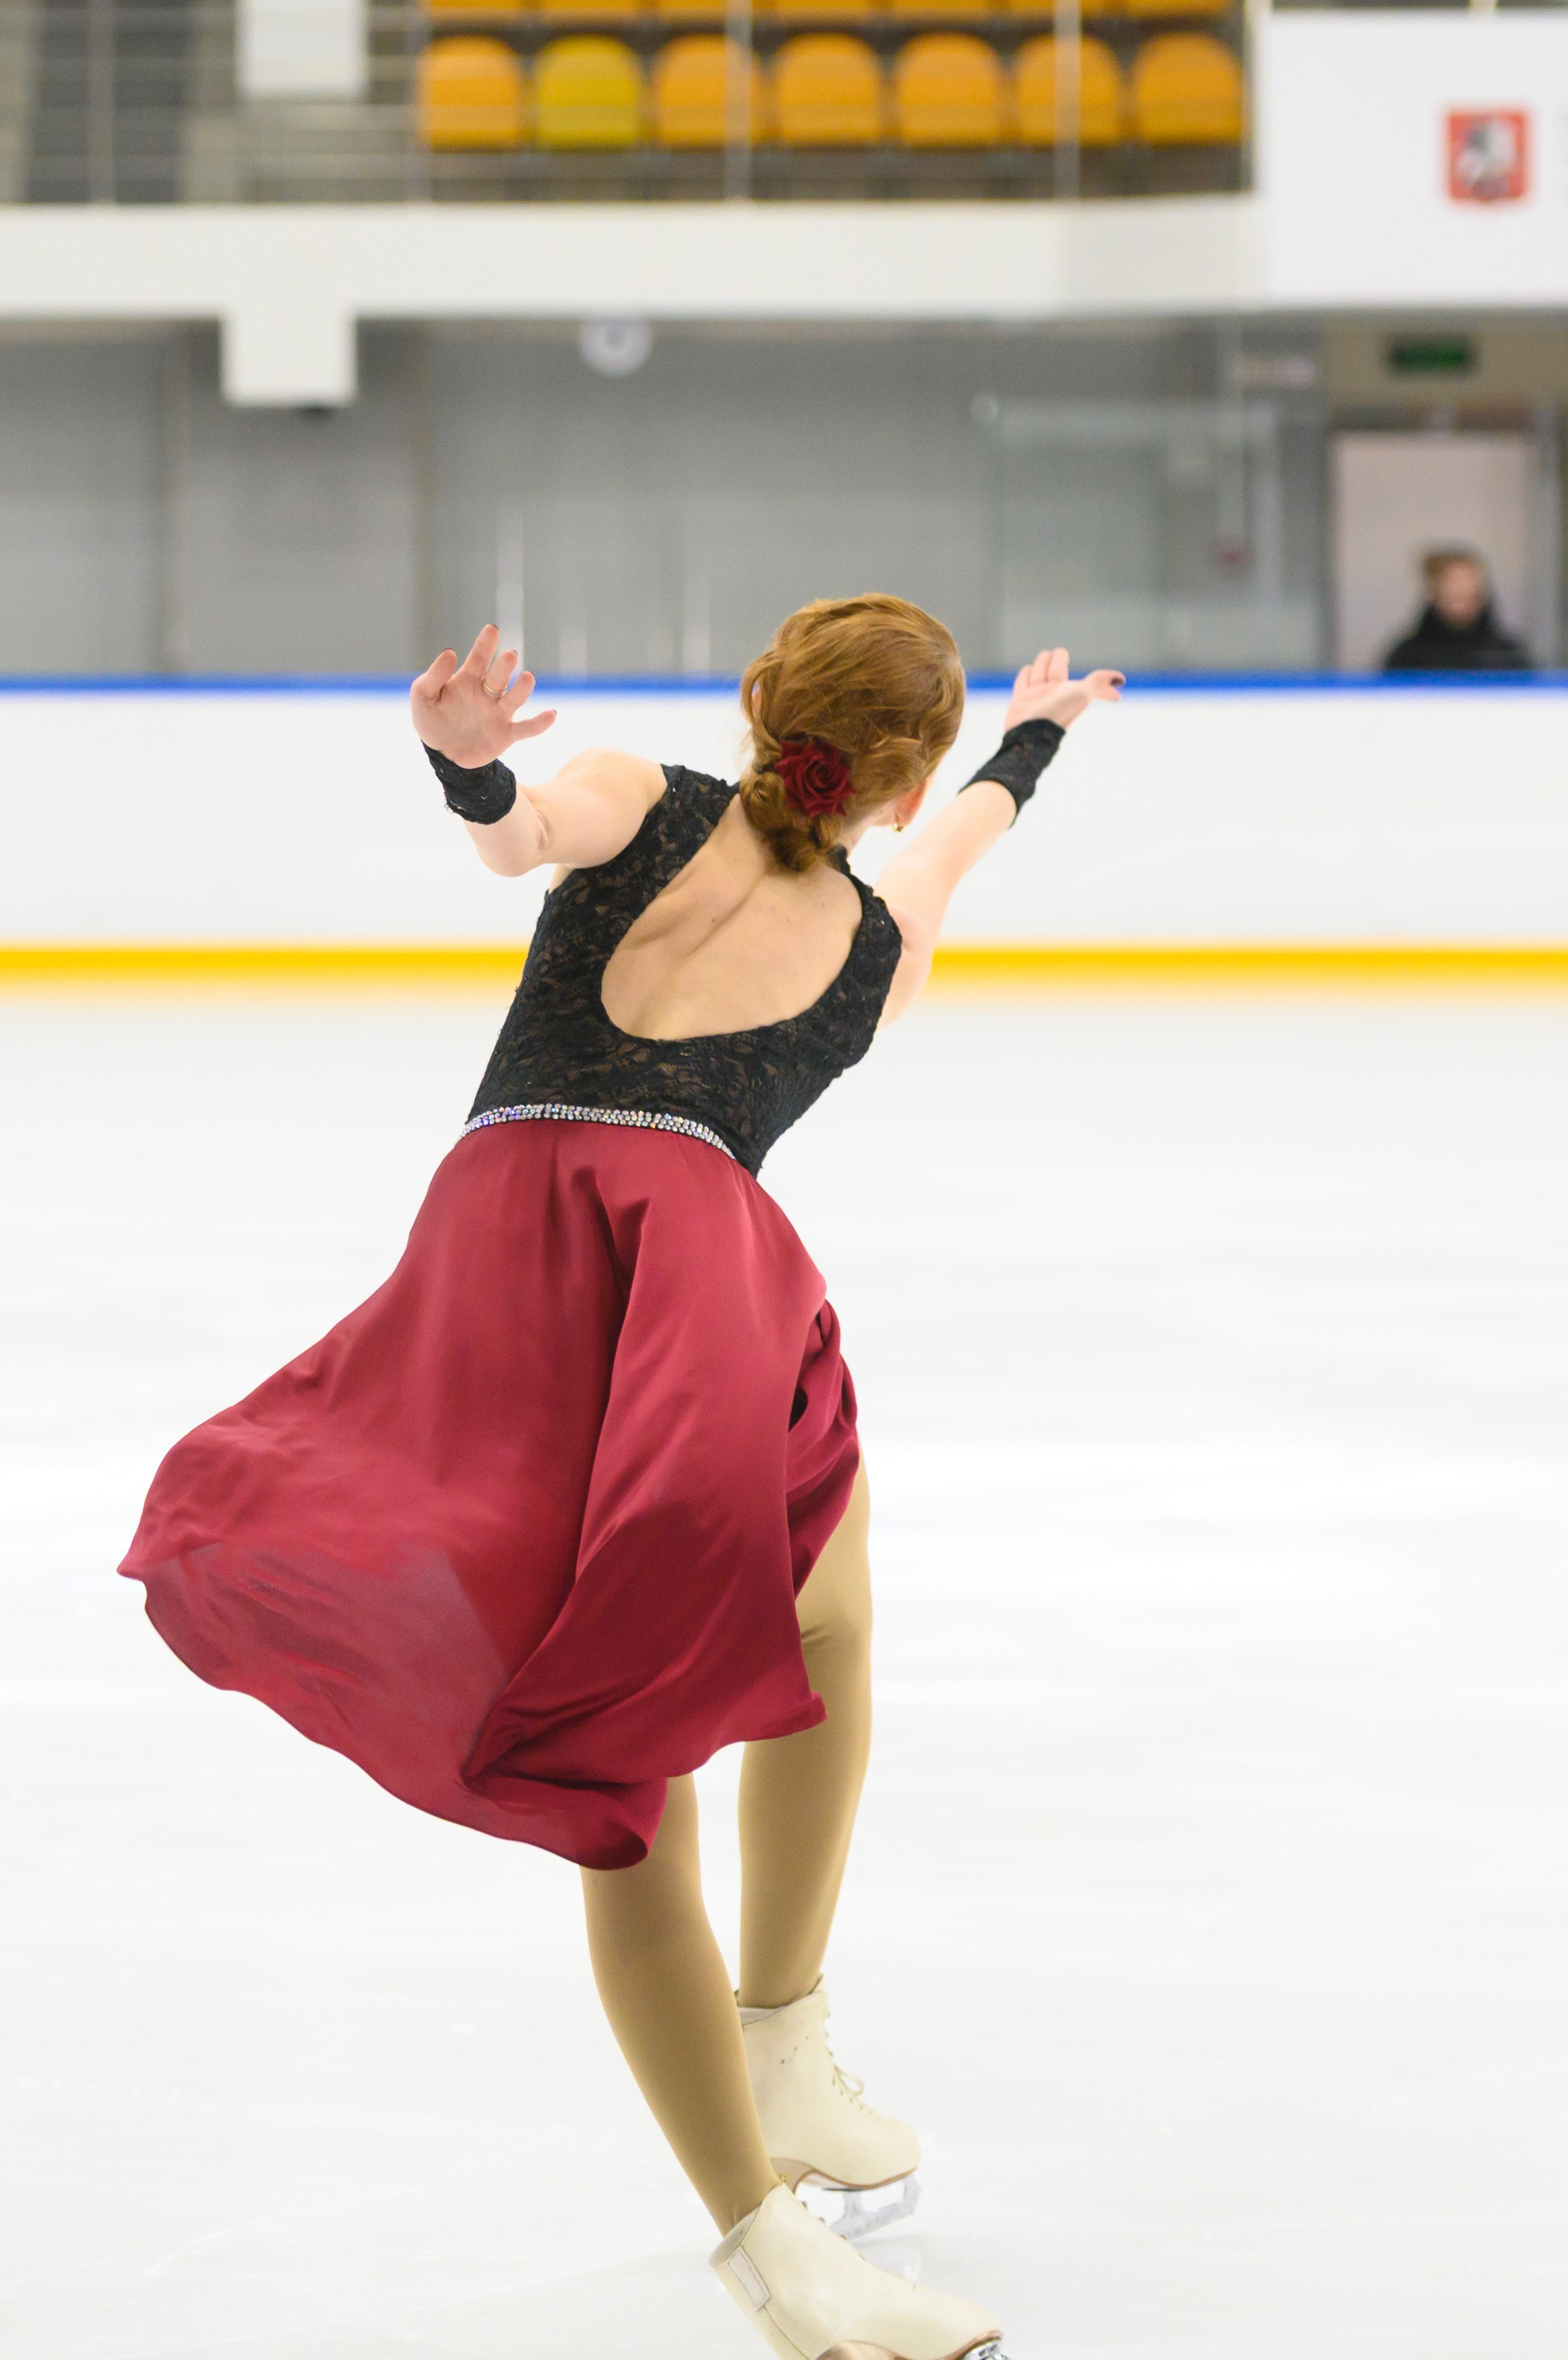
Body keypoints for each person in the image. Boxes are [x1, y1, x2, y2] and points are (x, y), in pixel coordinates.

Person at [119, 594, 1122, 2360]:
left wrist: (461, 769)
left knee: (788, 1638)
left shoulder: (640, 794)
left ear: (758, 703)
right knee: (674, 1724)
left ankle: (778, 2061)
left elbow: (519, 830)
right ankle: (772, 2224)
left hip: (500, 1261)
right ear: (898, 782)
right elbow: (959, 838)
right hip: (686, 1294)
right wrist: (1027, 745)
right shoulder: (880, 938)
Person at [1382, 546, 1532, 673]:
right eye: (1456, 595)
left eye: (1474, 595)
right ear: (1435, 592)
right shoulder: (1408, 657)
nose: (1465, 603)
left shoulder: (1507, 655)